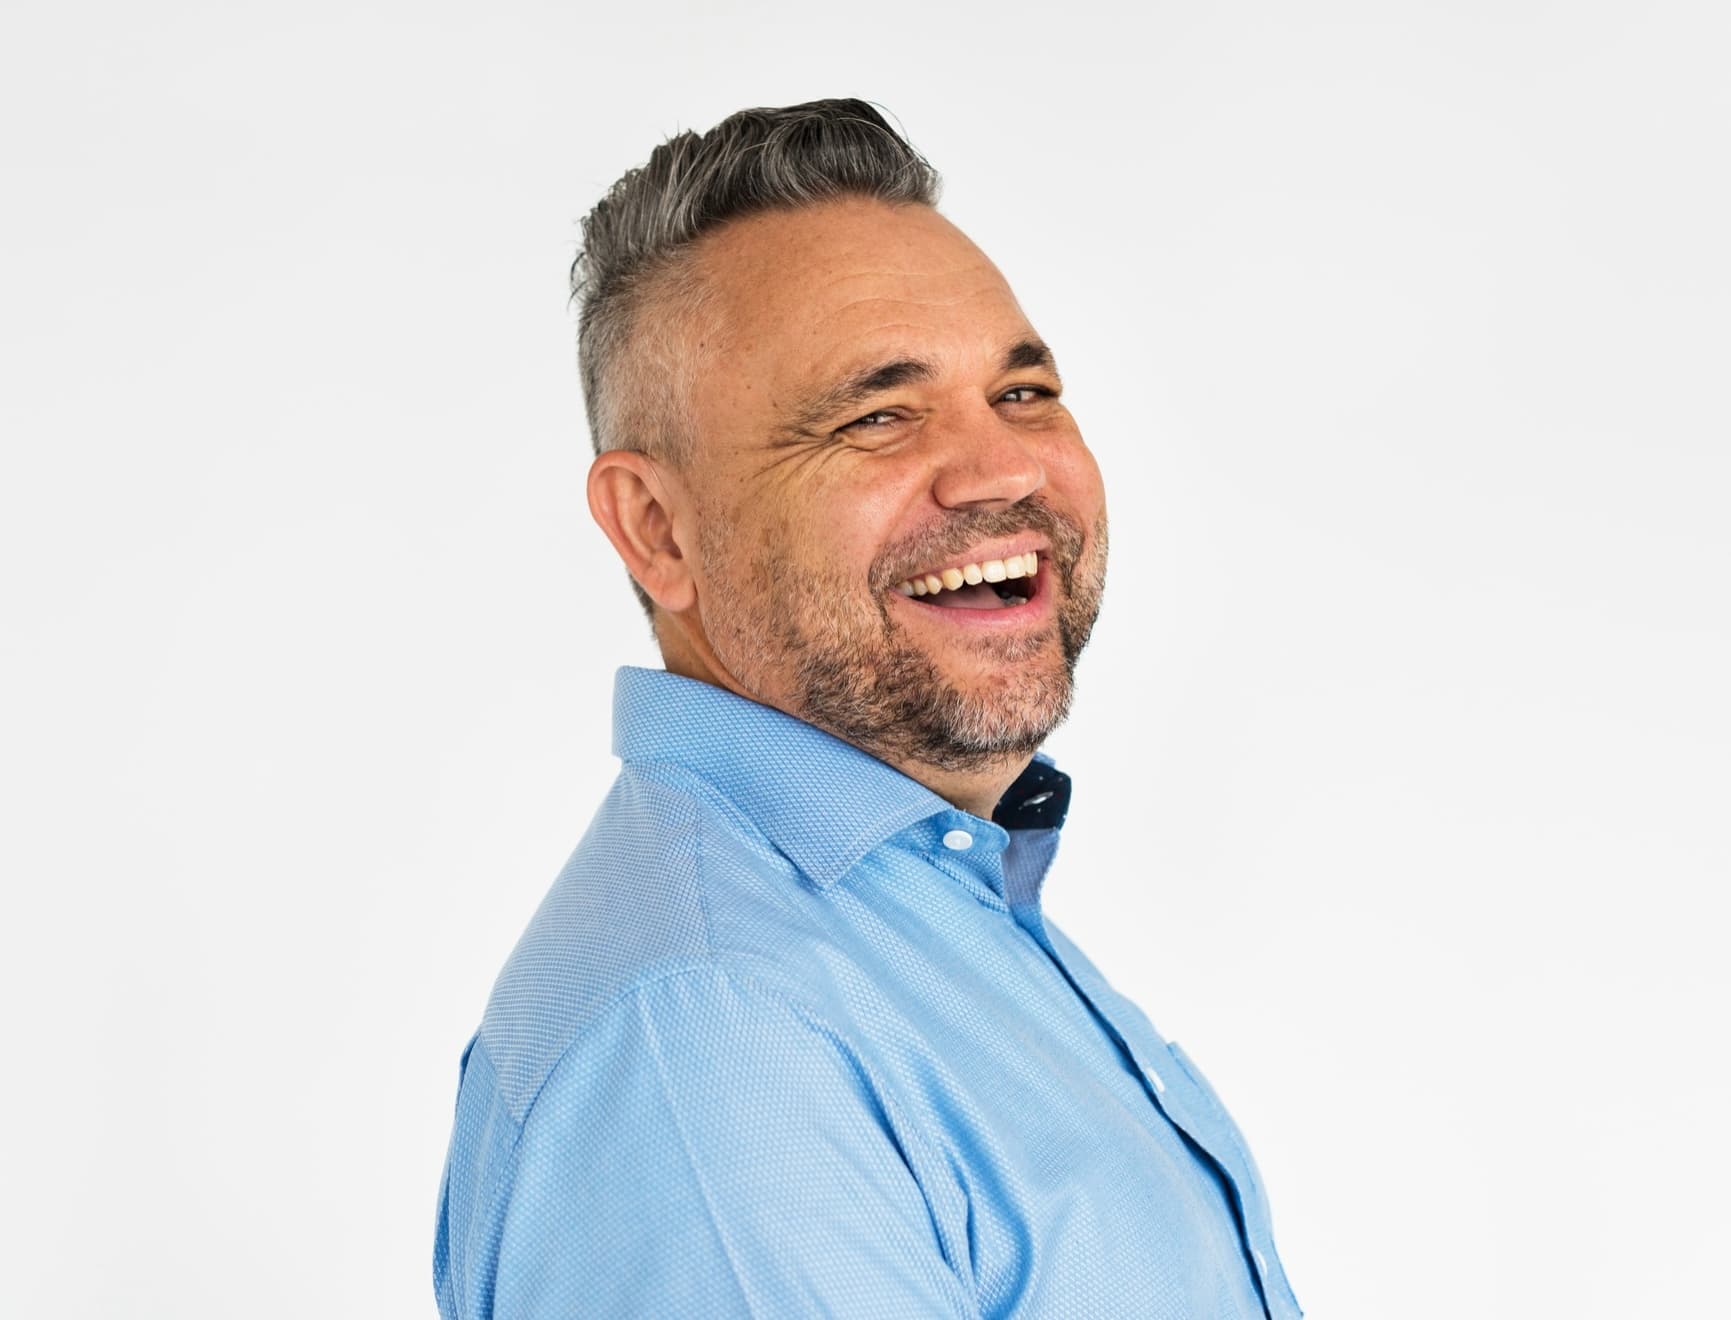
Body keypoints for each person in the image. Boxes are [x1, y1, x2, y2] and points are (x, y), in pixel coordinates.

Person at [433, 98, 1303, 1319]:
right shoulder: (713, 1032)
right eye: (877, 416)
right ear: (657, 530)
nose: (1004, 468)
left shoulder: (917, 911)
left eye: (1025, 392)